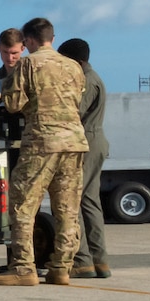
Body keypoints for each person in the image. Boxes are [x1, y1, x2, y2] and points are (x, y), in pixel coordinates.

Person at [0, 17, 87, 286]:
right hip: (74, 142)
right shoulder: (73, 66)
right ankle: (61, 268)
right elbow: (77, 98)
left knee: (23, 204)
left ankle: (23, 267)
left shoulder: (27, 64)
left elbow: (12, 104)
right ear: (52, 39)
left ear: (29, 41)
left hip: (42, 143)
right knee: (67, 209)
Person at [57, 37, 111, 278]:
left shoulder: (86, 81)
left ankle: (83, 260)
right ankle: (99, 261)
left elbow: (73, 112)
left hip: (86, 141)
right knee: (89, 201)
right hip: (94, 140)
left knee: (74, 200)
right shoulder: (92, 77)